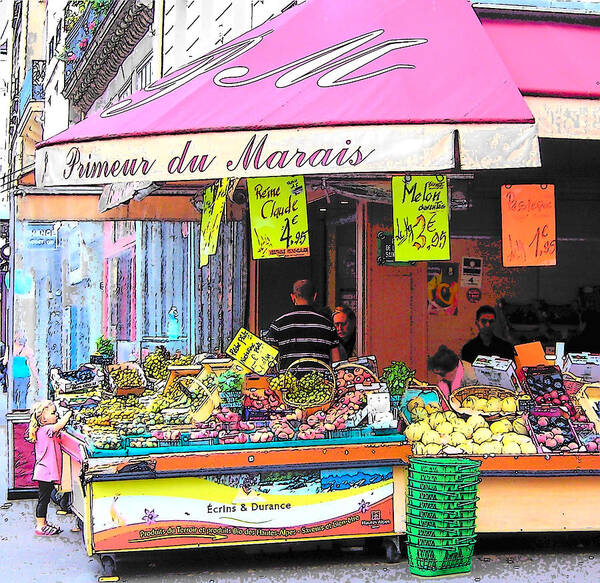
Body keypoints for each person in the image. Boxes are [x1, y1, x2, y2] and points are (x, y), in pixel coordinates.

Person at [265, 279, 341, 371]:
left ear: (293, 297)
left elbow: (268, 362)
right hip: (321, 383)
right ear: (314, 296)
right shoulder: (328, 326)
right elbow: (337, 363)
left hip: (288, 383)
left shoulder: (278, 325)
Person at [27, 400, 72, 536]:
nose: (56, 415)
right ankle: (40, 526)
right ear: (44, 418)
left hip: (45, 471)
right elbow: (59, 425)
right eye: (53, 413)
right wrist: (69, 413)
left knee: (45, 497)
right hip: (44, 472)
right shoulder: (46, 430)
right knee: (44, 499)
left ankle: (44, 523)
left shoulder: (43, 430)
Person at [11, 331, 41, 409]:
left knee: (13, 397)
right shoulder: (28, 350)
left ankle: (13, 414)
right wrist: (37, 379)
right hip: (25, 375)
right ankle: (21, 415)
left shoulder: (10, 348)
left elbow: (5, 362)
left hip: (13, 375)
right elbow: (32, 365)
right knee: (22, 397)